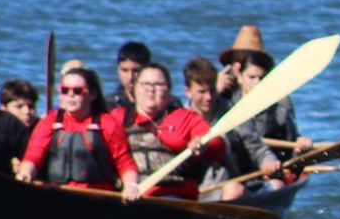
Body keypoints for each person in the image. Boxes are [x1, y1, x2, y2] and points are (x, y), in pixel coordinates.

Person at [213, 24, 311, 198]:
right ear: (237, 71)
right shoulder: (220, 100)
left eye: (262, 77)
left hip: (266, 176)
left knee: (276, 185)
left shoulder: (280, 107)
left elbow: (292, 157)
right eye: (252, 77)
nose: (257, 83)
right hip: (227, 177)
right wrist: (215, 92)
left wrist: (300, 149)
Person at [16, 67, 140, 201]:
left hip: (97, 199)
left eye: (77, 90)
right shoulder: (50, 121)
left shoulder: (108, 124)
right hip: (56, 196)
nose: (70, 95)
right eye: (64, 90)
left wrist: (131, 185)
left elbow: (125, 162)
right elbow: (34, 155)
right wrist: (26, 172)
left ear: (92, 94)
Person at [116, 62, 225, 200]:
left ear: (168, 89)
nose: (151, 89)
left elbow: (217, 143)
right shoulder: (118, 117)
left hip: (173, 194)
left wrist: (202, 144)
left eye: (158, 85)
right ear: (135, 88)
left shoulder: (185, 117)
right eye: (145, 84)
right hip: (129, 194)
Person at [0, 79, 38, 175]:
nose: (27, 112)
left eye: (31, 106)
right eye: (19, 106)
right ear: (3, 108)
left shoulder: (40, 129)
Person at [109, 41, 153, 112]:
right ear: (118, 70)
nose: (130, 77)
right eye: (125, 70)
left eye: (136, 71)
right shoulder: (109, 105)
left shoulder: (167, 104)